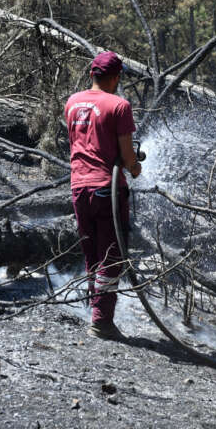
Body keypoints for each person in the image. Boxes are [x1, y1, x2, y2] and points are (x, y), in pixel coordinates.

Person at [65, 50, 141, 340]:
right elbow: (126, 156)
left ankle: (95, 311)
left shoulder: (72, 103)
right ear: (116, 77)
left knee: (93, 253)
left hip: (78, 188)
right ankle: (101, 322)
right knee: (112, 257)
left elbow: (85, 143)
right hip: (106, 190)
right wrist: (135, 169)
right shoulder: (120, 106)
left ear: (91, 75)